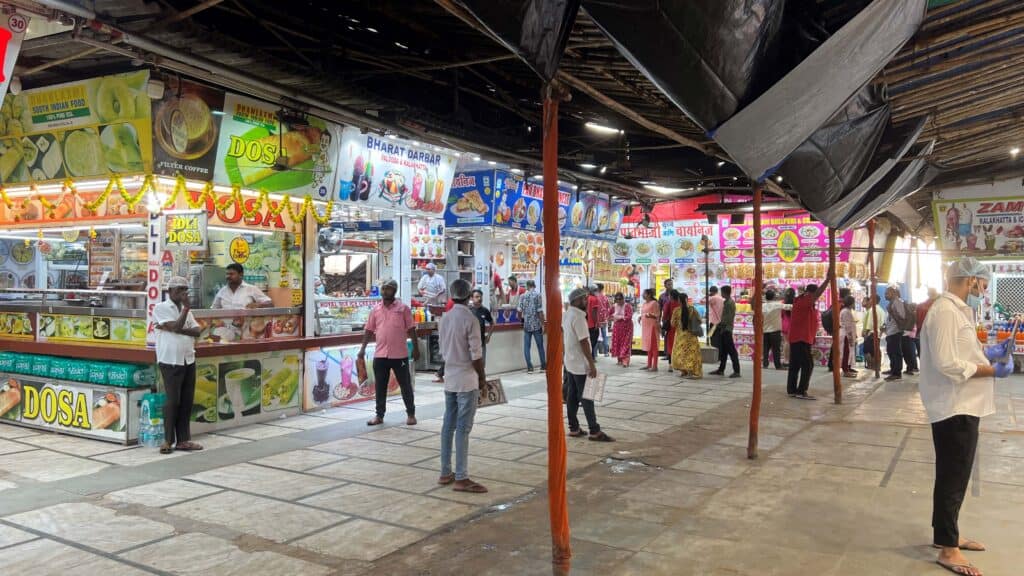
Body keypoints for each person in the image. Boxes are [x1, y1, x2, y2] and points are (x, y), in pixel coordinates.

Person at [920, 258, 1009, 576]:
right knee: (953, 477)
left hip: (964, 404)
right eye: (982, 286)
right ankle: (948, 548)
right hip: (954, 406)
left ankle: (947, 534)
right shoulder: (944, 312)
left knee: (953, 474)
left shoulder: (958, 311)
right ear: (970, 280)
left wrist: (990, 354)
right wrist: (990, 370)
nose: (983, 292)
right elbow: (947, 363)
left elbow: (962, 353)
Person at [437, 279, 489, 493]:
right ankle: (461, 476)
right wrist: (483, 378)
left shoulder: (445, 319)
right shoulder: (471, 319)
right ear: (469, 295)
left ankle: (445, 471)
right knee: (463, 428)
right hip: (467, 379)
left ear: (451, 295)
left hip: (450, 377)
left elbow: (442, 349)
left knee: (448, 425)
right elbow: (476, 355)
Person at [152, 276, 203, 454]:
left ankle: (183, 440)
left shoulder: (186, 311)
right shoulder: (161, 308)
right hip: (170, 360)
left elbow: (197, 331)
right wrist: (178, 323)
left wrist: (176, 328)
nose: (183, 293)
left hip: (188, 359)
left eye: (185, 290)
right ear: (169, 291)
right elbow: (175, 326)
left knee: (187, 401)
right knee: (173, 400)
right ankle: (167, 440)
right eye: (179, 290)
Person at [359, 279, 420, 426]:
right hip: (380, 355)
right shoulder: (376, 310)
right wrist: (362, 349)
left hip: (399, 355)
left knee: (405, 385)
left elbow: (411, 329)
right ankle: (379, 415)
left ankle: (411, 414)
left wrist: (417, 349)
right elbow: (369, 330)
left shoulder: (403, 309)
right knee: (380, 386)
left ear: (394, 291)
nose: (385, 291)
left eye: (388, 289)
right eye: (383, 288)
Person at [563, 287, 613, 442]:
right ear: (576, 301)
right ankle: (594, 430)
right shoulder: (578, 317)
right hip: (580, 363)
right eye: (584, 299)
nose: (586, 301)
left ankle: (574, 427)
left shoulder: (567, 314)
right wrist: (592, 364)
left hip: (570, 361)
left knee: (572, 395)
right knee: (587, 397)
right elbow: (584, 341)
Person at [787, 267, 835, 399]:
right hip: (800, 338)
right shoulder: (804, 300)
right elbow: (817, 294)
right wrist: (827, 280)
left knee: (795, 364)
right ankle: (801, 391)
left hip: (801, 338)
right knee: (808, 365)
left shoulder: (803, 302)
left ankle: (792, 390)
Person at [709, 285, 740, 378]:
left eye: (721, 292)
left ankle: (737, 371)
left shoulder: (730, 303)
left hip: (726, 329)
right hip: (723, 329)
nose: (720, 293)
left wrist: (719, 324)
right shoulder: (726, 302)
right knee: (724, 351)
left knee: (731, 351)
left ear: (725, 292)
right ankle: (721, 369)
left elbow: (728, 318)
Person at [671, 292, 703, 379]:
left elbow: (673, 324)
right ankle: (692, 372)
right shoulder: (692, 309)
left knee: (681, 354)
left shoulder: (676, 310)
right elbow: (700, 320)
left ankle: (683, 371)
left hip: (680, 337)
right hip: (691, 336)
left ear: (678, 300)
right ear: (686, 299)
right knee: (692, 354)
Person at [517, 279, 546, 373]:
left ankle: (530, 367)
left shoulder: (522, 296)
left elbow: (519, 311)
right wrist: (543, 323)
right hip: (537, 325)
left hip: (526, 325)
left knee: (527, 346)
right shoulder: (538, 295)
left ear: (527, 286)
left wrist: (521, 320)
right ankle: (543, 366)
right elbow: (540, 311)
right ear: (534, 285)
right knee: (540, 346)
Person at [885, 285, 912, 381]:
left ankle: (897, 373)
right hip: (890, 331)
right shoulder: (892, 303)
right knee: (891, 352)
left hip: (896, 331)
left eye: (887, 293)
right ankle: (893, 369)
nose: (885, 295)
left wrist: (892, 312)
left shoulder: (897, 302)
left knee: (896, 353)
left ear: (893, 293)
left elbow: (902, 317)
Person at [762, 289, 790, 370]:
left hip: (765, 331)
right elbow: (789, 307)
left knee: (765, 349)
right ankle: (777, 365)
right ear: (774, 297)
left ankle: (765, 364)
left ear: (765, 297)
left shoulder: (762, 306)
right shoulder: (777, 304)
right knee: (776, 349)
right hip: (775, 331)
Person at [610, 292, 634, 366]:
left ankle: (625, 360)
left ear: (623, 299)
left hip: (627, 327)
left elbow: (629, 316)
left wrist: (620, 317)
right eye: (617, 299)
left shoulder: (628, 306)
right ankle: (619, 359)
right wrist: (613, 317)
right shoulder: (614, 306)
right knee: (618, 343)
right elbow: (609, 315)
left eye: (620, 299)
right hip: (617, 328)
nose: (619, 301)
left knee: (626, 343)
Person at [470, 289, 494, 362]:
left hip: (481, 343)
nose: (479, 299)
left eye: (480, 297)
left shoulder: (485, 310)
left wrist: (489, 335)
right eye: (477, 297)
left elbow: (492, 323)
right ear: (472, 298)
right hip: (470, 344)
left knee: (481, 365)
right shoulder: (468, 310)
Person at [640, 288, 661, 371]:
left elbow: (657, 315)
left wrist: (650, 315)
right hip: (646, 327)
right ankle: (649, 364)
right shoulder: (645, 303)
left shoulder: (654, 303)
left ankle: (655, 366)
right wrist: (640, 317)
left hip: (652, 326)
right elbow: (643, 313)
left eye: (644, 293)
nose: (642, 295)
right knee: (648, 345)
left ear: (649, 295)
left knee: (654, 346)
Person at [916, 287, 941, 357]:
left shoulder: (920, 306)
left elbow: (917, 321)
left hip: (923, 334)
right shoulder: (938, 307)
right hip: (935, 334)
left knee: (924, 355)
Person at [661, 289, 680, 371]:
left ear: (671, 296)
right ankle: (679, 364)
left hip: (671, 327)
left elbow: (665, 315)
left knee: (670, 345)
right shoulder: (680, 303)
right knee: (679, 345)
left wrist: (663, 323)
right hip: (680, 327)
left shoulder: (668, 303)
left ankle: (670, 365)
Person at [840, 295, 858, 378]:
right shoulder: (846, 311)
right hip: (846, 335)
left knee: (849, 352)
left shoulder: (847, 311)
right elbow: (847, 326)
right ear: (851, 303)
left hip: (848, 335)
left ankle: (848, 368)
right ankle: (845, 370)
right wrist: (850, 338)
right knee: (846, 353)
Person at [596, 284, 612, 357]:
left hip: (596, 319)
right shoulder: (605, 297)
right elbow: (609, 307)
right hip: (604, 319)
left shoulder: (595, 297)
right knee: (604, 336)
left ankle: (595, 353)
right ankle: (606, 352)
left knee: (595, 336)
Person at [781, 287, 796, 366]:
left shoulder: (783, 302)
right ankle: (791, 359)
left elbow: (781, 314)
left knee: (786, 342)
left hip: (785, 324)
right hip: (794, 324)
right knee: (792, 343)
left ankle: (786, 360)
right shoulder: (796, 302)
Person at [586, 285, 602, 358]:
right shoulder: (594, 299)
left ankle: (591, 356)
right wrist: (596, 322)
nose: (597, 291)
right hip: (592, 323)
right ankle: (590, 356)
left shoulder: (587, 298)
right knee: (593, 340)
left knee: (589, 340)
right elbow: (594, 312)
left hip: (587, 323)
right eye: (596, 290)